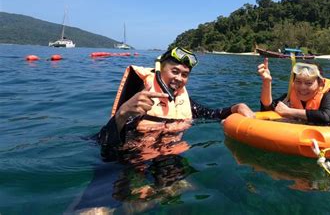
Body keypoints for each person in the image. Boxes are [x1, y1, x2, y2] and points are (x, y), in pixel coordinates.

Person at [98, 46, 254, 161]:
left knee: (175, 192)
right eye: (175, 71)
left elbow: (211, 114)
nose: (179, 78)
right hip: (129, 159)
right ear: (159, 69)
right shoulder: (138, 97)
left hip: (166, 156)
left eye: (185, 75)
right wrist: (123, 113)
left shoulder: (184, 102)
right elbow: (106, 143)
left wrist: (236, 107)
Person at [257, 57, 330, 125]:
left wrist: (289, 111)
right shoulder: (291, 95)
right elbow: (267, 108)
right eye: (298, 81)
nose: (302, 87)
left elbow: (327, 116)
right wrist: (266, 82)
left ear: (321, 84)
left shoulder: (329, 96)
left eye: (308, 83)